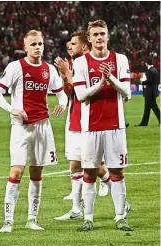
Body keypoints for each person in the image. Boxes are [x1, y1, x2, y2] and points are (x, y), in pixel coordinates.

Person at [0, 30, 68, 233]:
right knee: (17, 171)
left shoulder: (49, 70)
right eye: (33, 44)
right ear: (25, 47)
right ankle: (8, 221)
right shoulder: (16, 67)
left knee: (37, 172)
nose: (37, 47)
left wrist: (63, 103)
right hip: (21, 127)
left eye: (40, 44)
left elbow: (62, 94)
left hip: (43, 126)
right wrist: (12, 109)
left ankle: (32, 219)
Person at [54, 30, 130, 221]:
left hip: (88, 122)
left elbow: (84, 94)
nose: (69, 46)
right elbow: (71, 93)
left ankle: (111, 202)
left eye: (73, 43)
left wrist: (68, 75)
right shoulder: (76, 64)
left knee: (91, 167)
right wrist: (65, 78)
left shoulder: (87, 63)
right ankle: (77, 208)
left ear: (84, 45)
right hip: (75, 119)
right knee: (77, 164)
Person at [72, 20, 134, 231]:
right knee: (89, 173)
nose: (99, 38)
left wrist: (110, 78)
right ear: (89, 39)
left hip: (116, 126)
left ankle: (120, 217)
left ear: (108, 36)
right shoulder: (80, 63)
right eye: (95, 34)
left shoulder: (120, 59)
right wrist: (99, 84)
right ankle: (88, 218)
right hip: (90, 127)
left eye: (102, 34)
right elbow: (80, 95)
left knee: (117, 172)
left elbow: (127, 92)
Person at [136, 59, 160, 126]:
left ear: (146, 63)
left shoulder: (149, 71)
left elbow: (149, 81)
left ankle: (145, 123)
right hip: (153, 91)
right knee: (147, 108)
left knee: (154, 108)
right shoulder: (155, 70)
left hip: (150, 93)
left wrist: (142, 82)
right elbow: (155, 81)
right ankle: (144, 123)